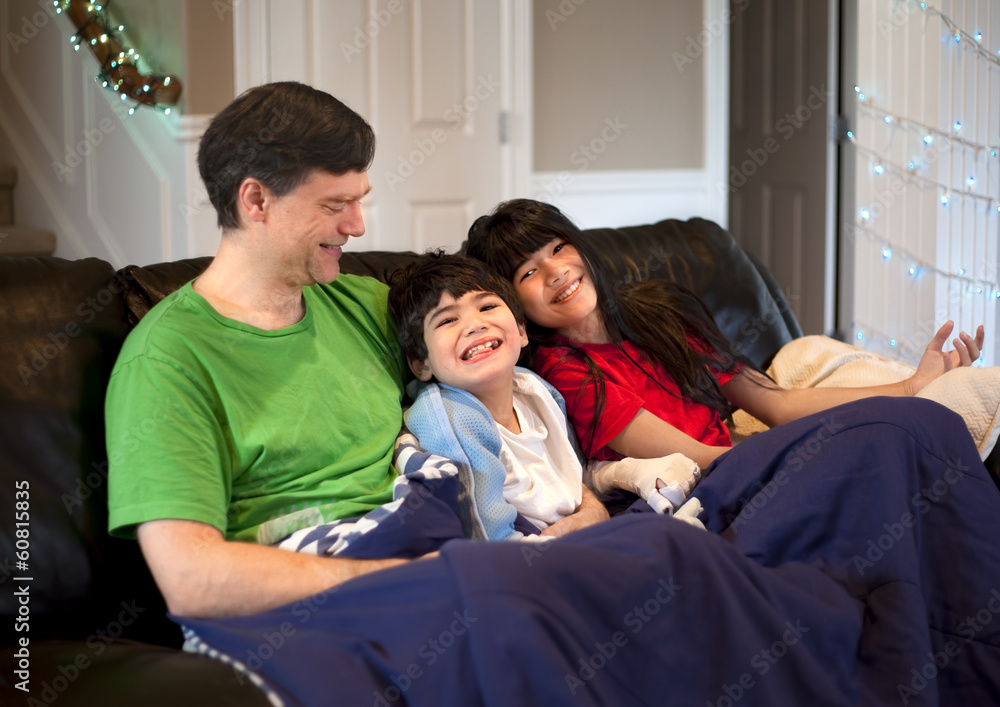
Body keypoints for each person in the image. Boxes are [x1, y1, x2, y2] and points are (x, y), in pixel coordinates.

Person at [105, 82, 417, 619]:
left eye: (358, 202)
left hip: (430, 557)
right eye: (335, 205)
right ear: (256, 201)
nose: (357, 226)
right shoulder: (168, 361)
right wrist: (405, 580)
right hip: (308, 614)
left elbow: (501, 397)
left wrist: (583, 500)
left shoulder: (369, 307)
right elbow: (191, 580)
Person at [465, 198, 986, 468]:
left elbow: (775, 405)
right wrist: (816, 450)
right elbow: (701, 459)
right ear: (515, 305)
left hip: (747, 456)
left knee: (920, 425)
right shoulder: (566, 374)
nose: (554, 271)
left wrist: (911, 387)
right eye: (527, 271)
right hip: (710, 484)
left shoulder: (662, 310)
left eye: (557, 248)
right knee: (886, 447)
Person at [387, 251, 705, 540]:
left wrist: (633, 474)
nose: (475, 325)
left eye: (487, 306)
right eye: (447, 320)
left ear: (522, 332)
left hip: (581, 530)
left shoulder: (534, 389)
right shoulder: (451, 422)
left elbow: (572, 474)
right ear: (421, 364)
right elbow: (487, 535)